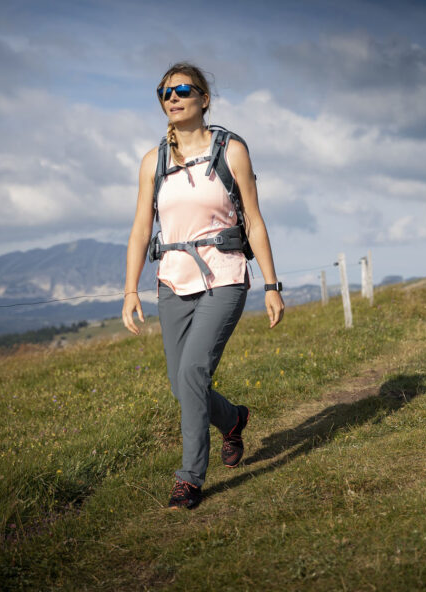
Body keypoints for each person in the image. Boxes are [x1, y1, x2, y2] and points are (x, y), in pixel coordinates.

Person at [122, 62, 284, 510]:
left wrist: (271, 283)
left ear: (204, 99)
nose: (172, 98)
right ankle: (233, 420)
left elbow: (252, 218)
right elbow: (140, 229)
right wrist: (130, 289)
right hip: (172, 281)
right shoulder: (153, 162)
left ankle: (189, 478)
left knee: (194, 373)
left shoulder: (231, 150)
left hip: (225, 276)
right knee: (181, 386)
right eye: (164, 92)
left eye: (182, 90)